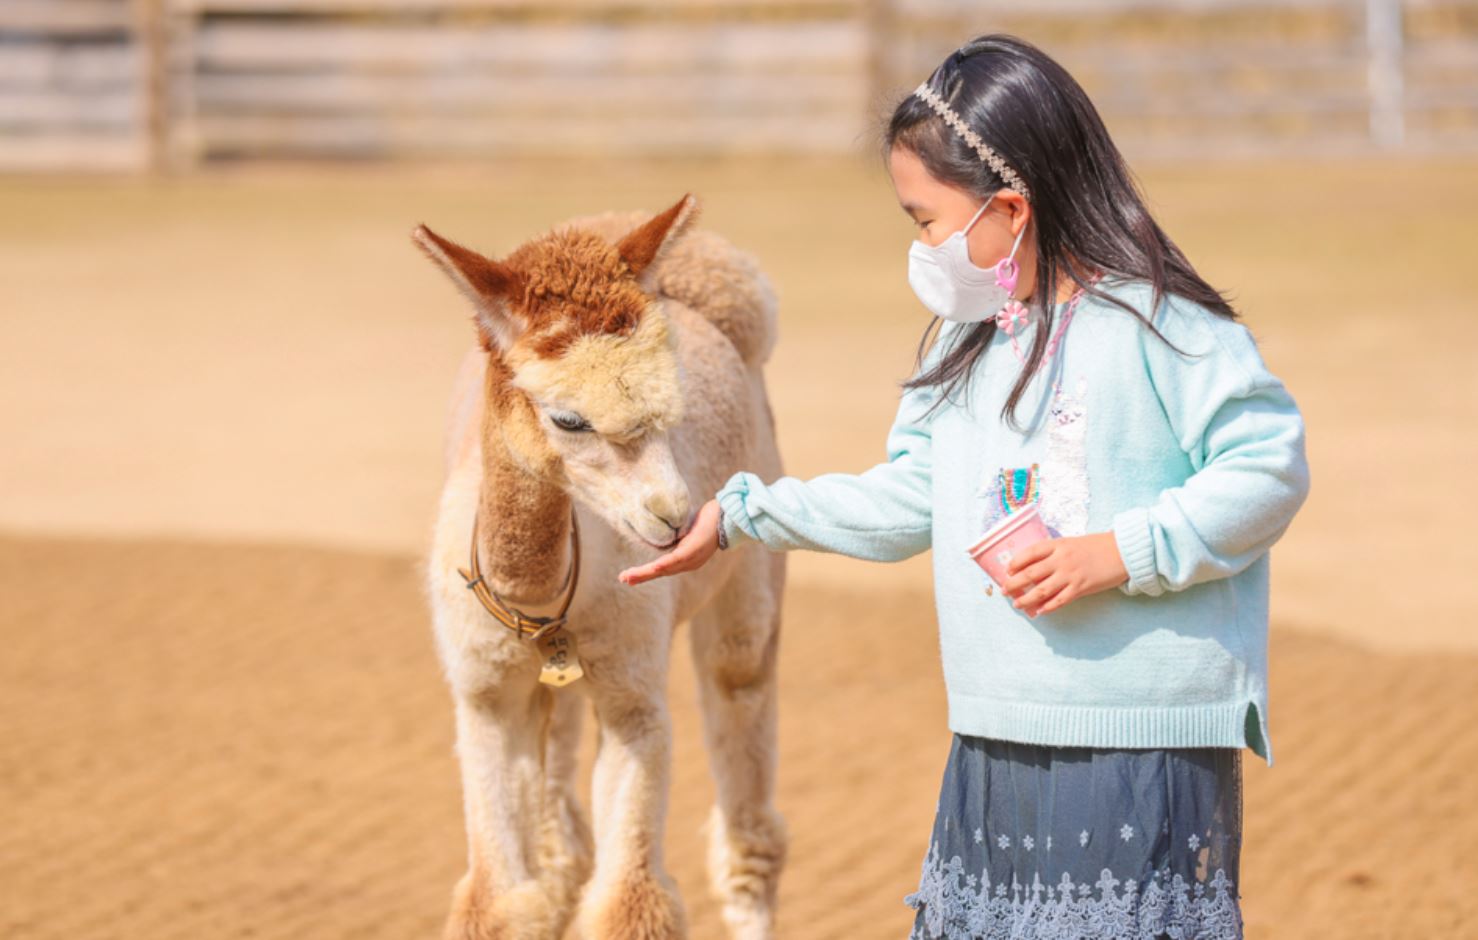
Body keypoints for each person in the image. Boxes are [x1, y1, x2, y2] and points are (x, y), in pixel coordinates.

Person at [617, 33, 1310, 940]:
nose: (922, 245)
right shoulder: (966, 337)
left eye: (926, 220)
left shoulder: (1164, 324)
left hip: (1137, 740)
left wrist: (1120, 552)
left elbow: (1267, 467)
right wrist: (745, 512)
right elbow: (914, 497)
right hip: (995, 733)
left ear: (1011, 209)